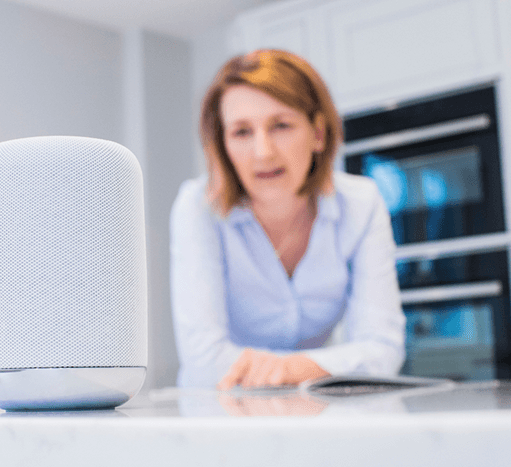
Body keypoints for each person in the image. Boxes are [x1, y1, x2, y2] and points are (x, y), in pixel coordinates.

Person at [169, 49, 406, 390]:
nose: (263, 152)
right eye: (241, 132)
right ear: (223, 144)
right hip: (220, 408)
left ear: (318, 134)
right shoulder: (197, 208)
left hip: (315, 406)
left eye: (280, 125)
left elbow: (383, 350)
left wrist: (294, 369)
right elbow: (203, 358)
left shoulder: (361, 204)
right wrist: (313, 369)